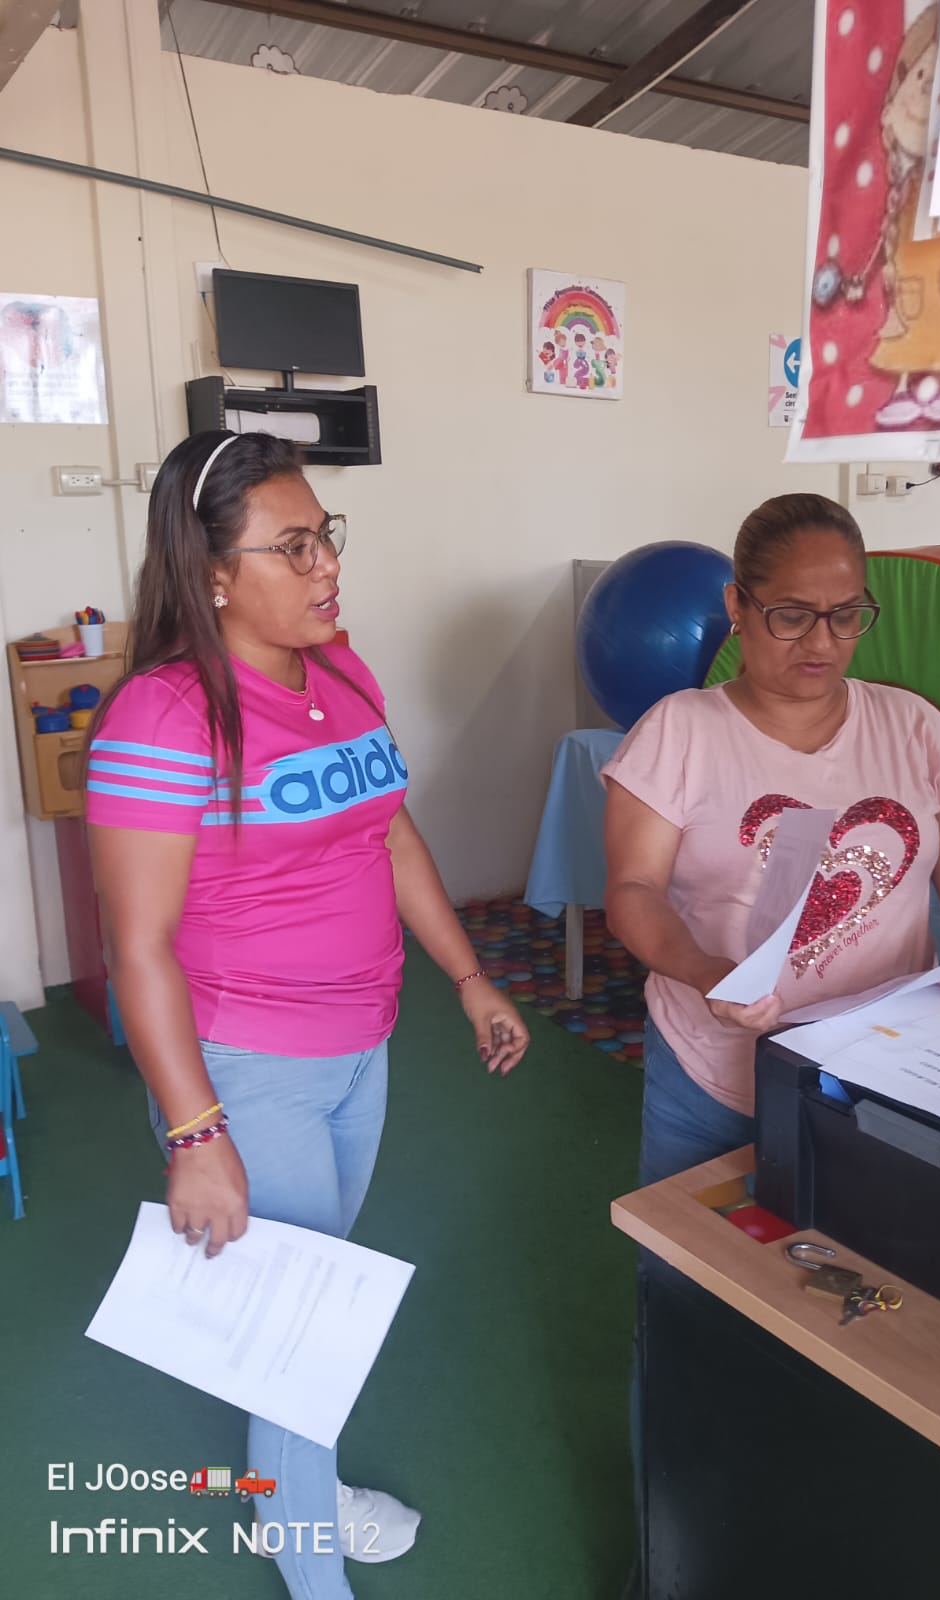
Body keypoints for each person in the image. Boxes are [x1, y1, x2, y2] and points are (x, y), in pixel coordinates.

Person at [85, 430, 530, 1600]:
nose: (327, 564)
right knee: (303, 1341)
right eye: (292, 547)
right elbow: (136, 948)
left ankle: (295, 1492)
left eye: (325, 535)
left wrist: (468, 976)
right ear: (213, 574)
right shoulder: (162, 717)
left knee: (305, 1299)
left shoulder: (340, 669)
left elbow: (390, 830)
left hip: (361, 1046)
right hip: (247, 1065)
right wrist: (196, 1131)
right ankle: (309, 1559)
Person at [603, 492, 940, 1188]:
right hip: (718, 1070)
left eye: (846, 615)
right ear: (737, 606)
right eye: (792, 616)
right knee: (693, 1248)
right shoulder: (679, 732)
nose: (823, 644)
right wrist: (705, 972)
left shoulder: (913, 726)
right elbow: (632, 890)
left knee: (862, 1245)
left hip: (877, 1065)